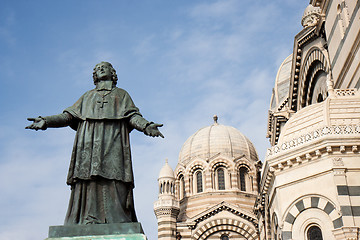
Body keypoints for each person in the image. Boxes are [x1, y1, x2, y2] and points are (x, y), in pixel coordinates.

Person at [26, 61, 163, 225]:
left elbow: (132, 116)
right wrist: (47, 121)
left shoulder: (122, 94)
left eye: (104, 67)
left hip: (114, 141)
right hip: (89, 143)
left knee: (116, 176)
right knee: (88, 179)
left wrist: (146, 126)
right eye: (97, 68)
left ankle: (118, 220)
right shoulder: (87, 96)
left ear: (112, 73)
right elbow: (68, 116)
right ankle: (88, 218)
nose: (100, 69)